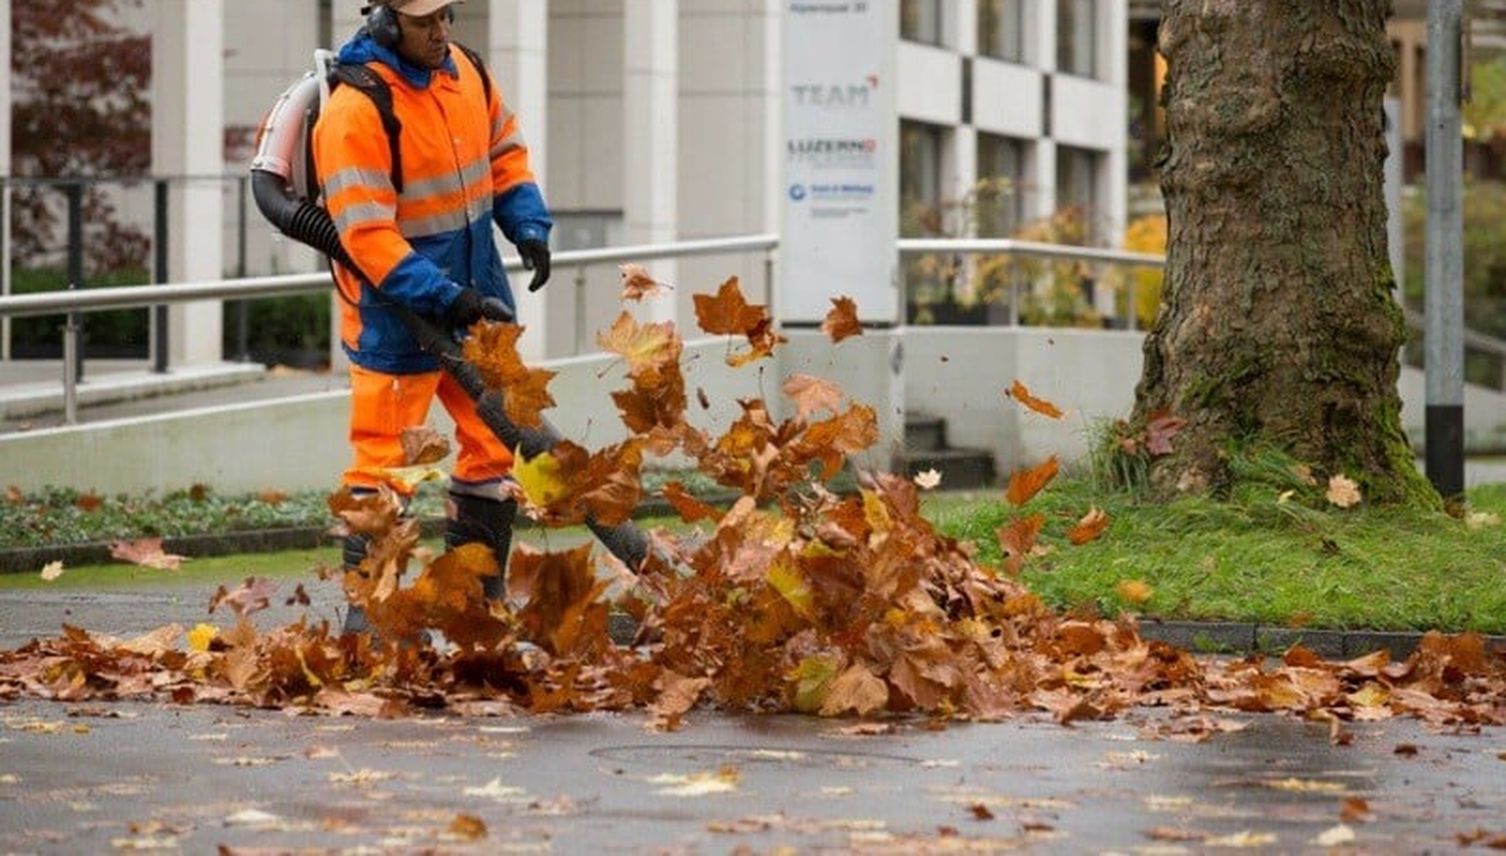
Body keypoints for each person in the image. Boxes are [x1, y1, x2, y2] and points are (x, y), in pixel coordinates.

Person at [313, 0, 552, 634]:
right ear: (386, 23)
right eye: (425, 22)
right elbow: (367, 237)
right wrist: (447, 298)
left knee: (496, 445)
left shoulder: (466, 73)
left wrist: (528, 224)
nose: (441, 32)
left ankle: (474, 603)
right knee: (383, 469)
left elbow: (505, 152)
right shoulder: (355, 111)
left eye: (447, 15)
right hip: (399, 315)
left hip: (477, 302)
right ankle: (373, 617)